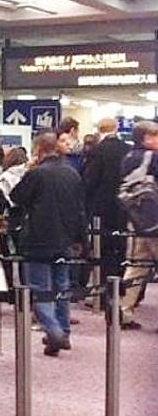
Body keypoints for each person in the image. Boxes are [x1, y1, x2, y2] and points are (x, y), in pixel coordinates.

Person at [11, 131, 86, 356]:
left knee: (40, 288)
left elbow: (17, 197)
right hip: (65, 239)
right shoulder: (72, 174)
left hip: (38, 238)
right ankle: (63, 331)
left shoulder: (37, 174)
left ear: (39, 150)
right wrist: (80, 240)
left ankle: (54, 331)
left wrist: (28, 170)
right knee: (61, 286)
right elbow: (80, 210)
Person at [83, 117, 131, 301]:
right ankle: (119, 290)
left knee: (101, 251)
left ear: (98, 129)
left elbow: (89, 181)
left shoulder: (96, 151)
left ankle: (102, 293)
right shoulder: (127, 149)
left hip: (100, 211)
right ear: (116, 128)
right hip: (122, 208)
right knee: (120, 248)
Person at [118, 121, 158, 331]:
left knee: (136, 267)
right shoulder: (153, 158)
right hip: (156, 222)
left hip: (137, 221)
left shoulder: (127, 158)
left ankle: (123, 311)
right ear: (147, 138)